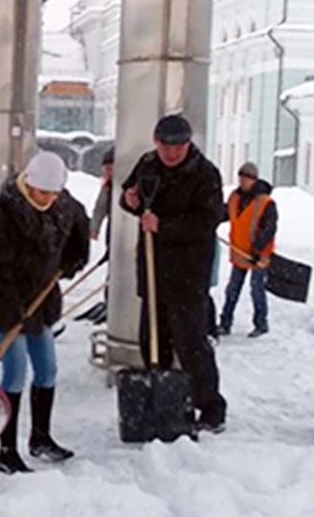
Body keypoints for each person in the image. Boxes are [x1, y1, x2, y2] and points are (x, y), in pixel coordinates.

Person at [0, 152, 90, 474]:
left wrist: (72, 260)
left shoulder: (65, 208)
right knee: (14, 373)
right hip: (7, 305)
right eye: (43, 193)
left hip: (41, 302)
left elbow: (80, 232)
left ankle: (41, 437)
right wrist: (9, 311)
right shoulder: (0, 215)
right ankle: (7, 451)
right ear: (29, 184)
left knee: (48, 370)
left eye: (54, 193)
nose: (49, 199)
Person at [121, 114, 228, 432]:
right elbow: (132, 195)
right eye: (166, 147)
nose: (171, 154)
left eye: (178, 148)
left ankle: (209, 406)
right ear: (156, 143)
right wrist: (130, 200)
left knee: (191, 343)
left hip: (187, 273)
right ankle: (166, 401)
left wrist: (164, 226)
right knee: (151, 340)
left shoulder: (205, 174)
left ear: (188, 144)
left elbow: (207, 221)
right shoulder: (147, 164)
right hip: (153, 270)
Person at [218, 161, 278, 338]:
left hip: (259, 255)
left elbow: (270, 228)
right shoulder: (235, 198)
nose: (243, 181)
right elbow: (224, 214)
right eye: (241, 178)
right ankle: (225, 323)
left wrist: (258, 249)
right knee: (232, 289)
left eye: (247, 178)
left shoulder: (266, 202)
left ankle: (261, 323)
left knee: (256, 289)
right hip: (240, 253)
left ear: (254, 180)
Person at [90, 147, 115, 242]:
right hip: (112, 228)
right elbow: (100, 208)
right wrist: (94, 228)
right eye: (105, 169)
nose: (107, 173)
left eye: (110, 169)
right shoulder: (108, 186)